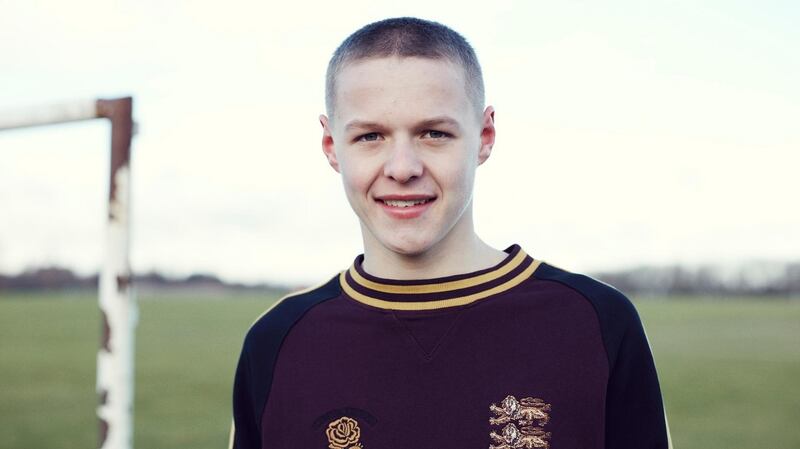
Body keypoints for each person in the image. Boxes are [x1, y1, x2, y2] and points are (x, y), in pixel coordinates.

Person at [230, 17, 672, 449]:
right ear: (331, 146)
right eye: (370, 137)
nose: (402, 169)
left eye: (434, 133)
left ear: (484, 135)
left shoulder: (595, 322)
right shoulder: (278, 340)